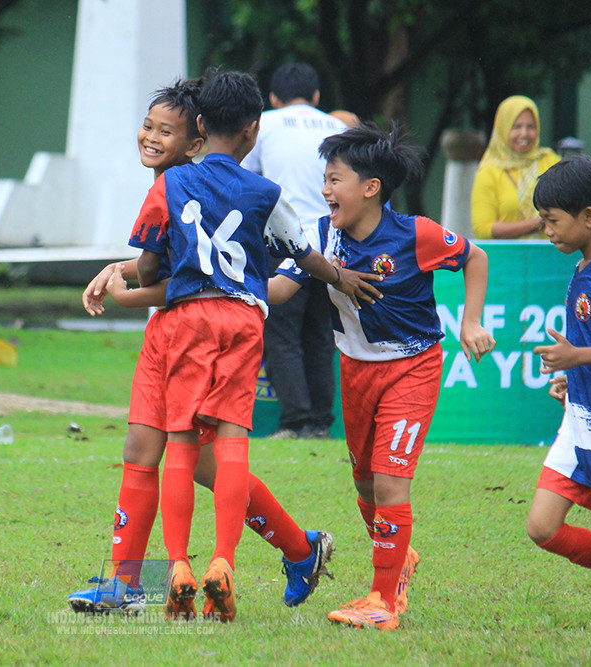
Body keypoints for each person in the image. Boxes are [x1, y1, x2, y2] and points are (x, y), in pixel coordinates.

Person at [69, 78, 338, 616]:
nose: (151, 137)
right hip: (176, 335)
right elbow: (174, 268)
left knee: (203, 463)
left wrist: (129, 290)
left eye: (166, 130)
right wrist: (120, 269)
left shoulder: (187, 187)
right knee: (146, 452)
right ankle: (127, 585)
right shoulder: (179, 186)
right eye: (148, 126)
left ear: (195, 139)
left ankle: (294, 548)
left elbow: (186, 281)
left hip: (191, 332)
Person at [129, 71, 383, 622]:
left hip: (184, 320)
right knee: (230, 446)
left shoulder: (170, 185)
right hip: (242, 319)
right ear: (253, 130)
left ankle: (174, 565)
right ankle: (223, 560)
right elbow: (302, 251)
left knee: (178, 447)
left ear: (198, 127)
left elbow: (150, 265)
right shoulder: (266, 192)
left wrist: (134, 271)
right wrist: (342, 279)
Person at [274, 121, 495, 630]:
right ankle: (401, 560)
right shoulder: (320, 234)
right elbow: (282, 290)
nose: (325, 190)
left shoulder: (414, 233)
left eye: (334, 180)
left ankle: (383, 600)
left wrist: (471, 321)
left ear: (370, 188)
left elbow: (474, 256)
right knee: (367, 489)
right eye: (324, 180)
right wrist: (223, 288)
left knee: (392, 484)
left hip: (411, 367)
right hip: (354, 370)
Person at [526, 156, 591, 617]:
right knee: (542, 527)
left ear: (589, 217)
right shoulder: (587, 264)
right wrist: (574, 377)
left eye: (552, 221)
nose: (546, 230)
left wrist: (577, 358)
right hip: (582, 417)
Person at [240, 62, 349, 439]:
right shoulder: (338, 127)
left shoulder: (264, 125)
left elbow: (249, 180)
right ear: (317, 97)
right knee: (320, 334)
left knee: (281, 333)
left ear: (272, 97)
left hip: (284, 238)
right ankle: (320, 421)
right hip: (331, 240)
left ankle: (296, 420)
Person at [471, 95, 561, 239]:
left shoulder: (551, 162)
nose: (524, 134)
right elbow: (484, 229)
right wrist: (537, 223)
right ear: (503, 129)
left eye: (530, 127)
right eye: (516, 126)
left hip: (551, 254)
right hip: (507, 257)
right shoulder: (489, 172)